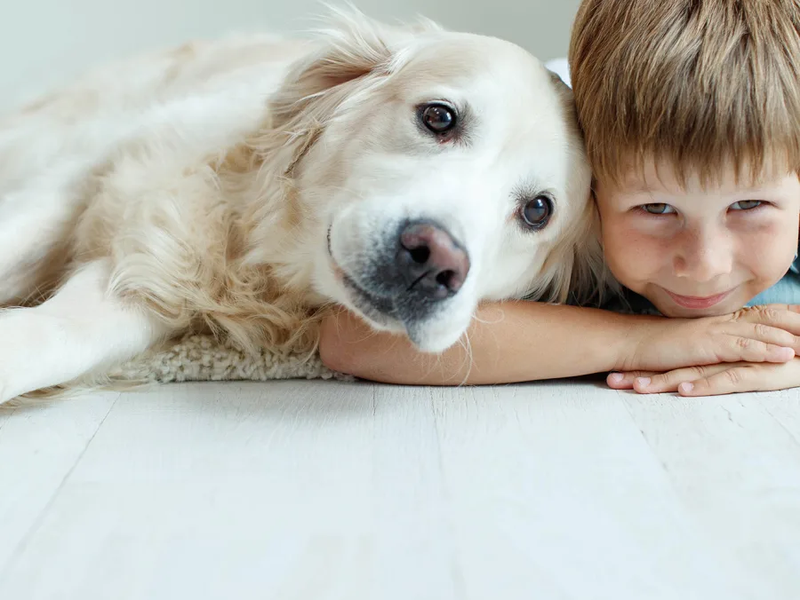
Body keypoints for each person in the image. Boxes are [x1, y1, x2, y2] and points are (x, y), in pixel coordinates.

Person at [318, 0, 800, 397]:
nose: (704, 265)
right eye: (656, 208)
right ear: (590, 195)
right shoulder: (559, 147)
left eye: (748, 206)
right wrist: (649, 342)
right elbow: (351, 344)